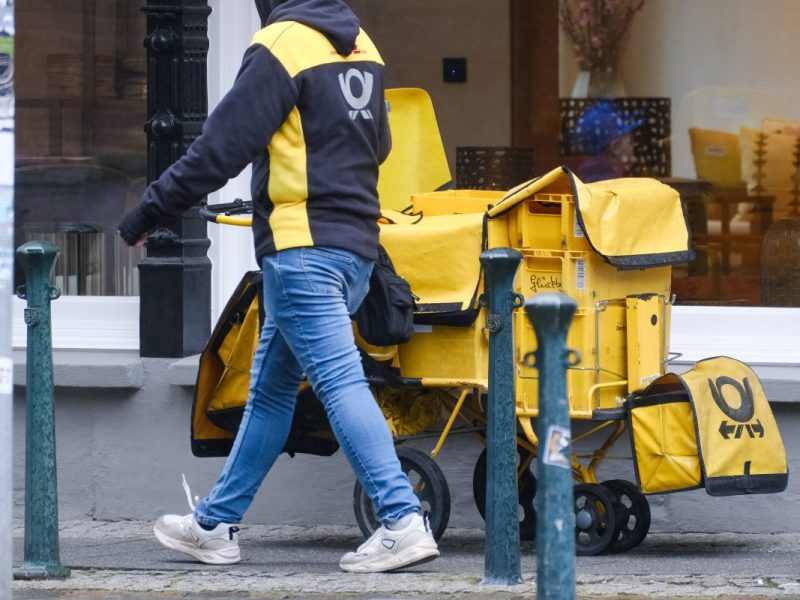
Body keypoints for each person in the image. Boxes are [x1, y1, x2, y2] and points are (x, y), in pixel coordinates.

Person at [118, 0, 438, 573]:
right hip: (357, 248)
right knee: (268, 392)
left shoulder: (280, 45)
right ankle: (214, 525)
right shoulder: (363, 45)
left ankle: (401, 519)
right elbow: (379, 146)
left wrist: (147, 213)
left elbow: (217, 150)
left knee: (339, 382)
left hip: (303, 248)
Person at [570, 101, 643, 183]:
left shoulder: (589, 172)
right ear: (616, 146)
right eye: (630, 142)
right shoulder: (606, 178)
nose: (633, 147)